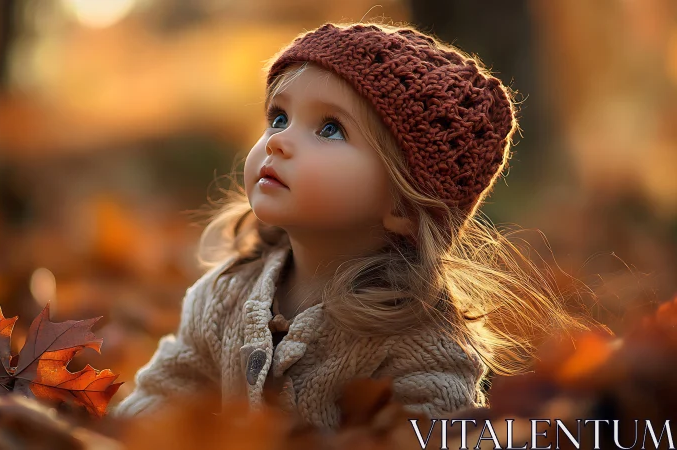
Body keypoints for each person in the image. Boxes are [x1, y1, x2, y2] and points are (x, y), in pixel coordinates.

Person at [113, 22, 594, 428]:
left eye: (329, 129)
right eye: (278, 118)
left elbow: (427, 433)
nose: (279, 143)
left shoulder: (418, 335)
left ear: (403, 205)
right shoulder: (223, 296)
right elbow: (161, 398)